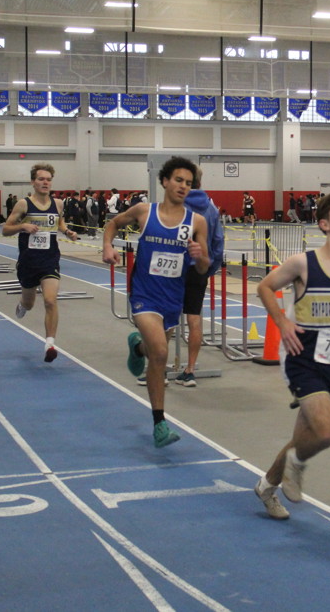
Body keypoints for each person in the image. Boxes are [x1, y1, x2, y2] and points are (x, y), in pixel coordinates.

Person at [253, 191, 330, 520]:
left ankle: (266, 487)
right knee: (327, 431)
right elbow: (264, 287)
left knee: (304, 436)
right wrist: (282, 322)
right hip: (303, 357)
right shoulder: (303, 264)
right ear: (324, 224)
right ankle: (296, 464)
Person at [101, 157, 210, 448]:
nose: (183, 186)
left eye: (189, 183)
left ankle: (137, 346)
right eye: (178, 180)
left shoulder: (196, 222)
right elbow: (113, 224)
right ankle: (159, 423)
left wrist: (200, 256)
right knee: (161, 353)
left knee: (153, 351)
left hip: (172, 299)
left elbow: (203, 267)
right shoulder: (144, 212)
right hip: (144, 294)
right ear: (164, 181)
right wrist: (107, 246)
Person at [2, 164, 79, 363]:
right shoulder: (23, 204)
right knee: (29, 303)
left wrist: (67, 231)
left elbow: (59, 222)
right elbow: (5, 229)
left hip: (49, 260)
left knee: (50, 301)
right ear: (33, 182)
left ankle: (50, 344)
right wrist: (23, 226)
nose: (45, 182)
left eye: (48, 179)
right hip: (28, 262)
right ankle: (23, 304)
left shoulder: (58, 204)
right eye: (41, 179)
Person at [175, 167, 224, 388]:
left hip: (175, 267)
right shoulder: (211, 209)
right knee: (193, 318)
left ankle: (158, 369)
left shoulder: (176, 206)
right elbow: (218, 242)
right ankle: (190, 370)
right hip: (199, 268)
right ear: (200, 182)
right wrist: (209, 268)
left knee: (168, 317)